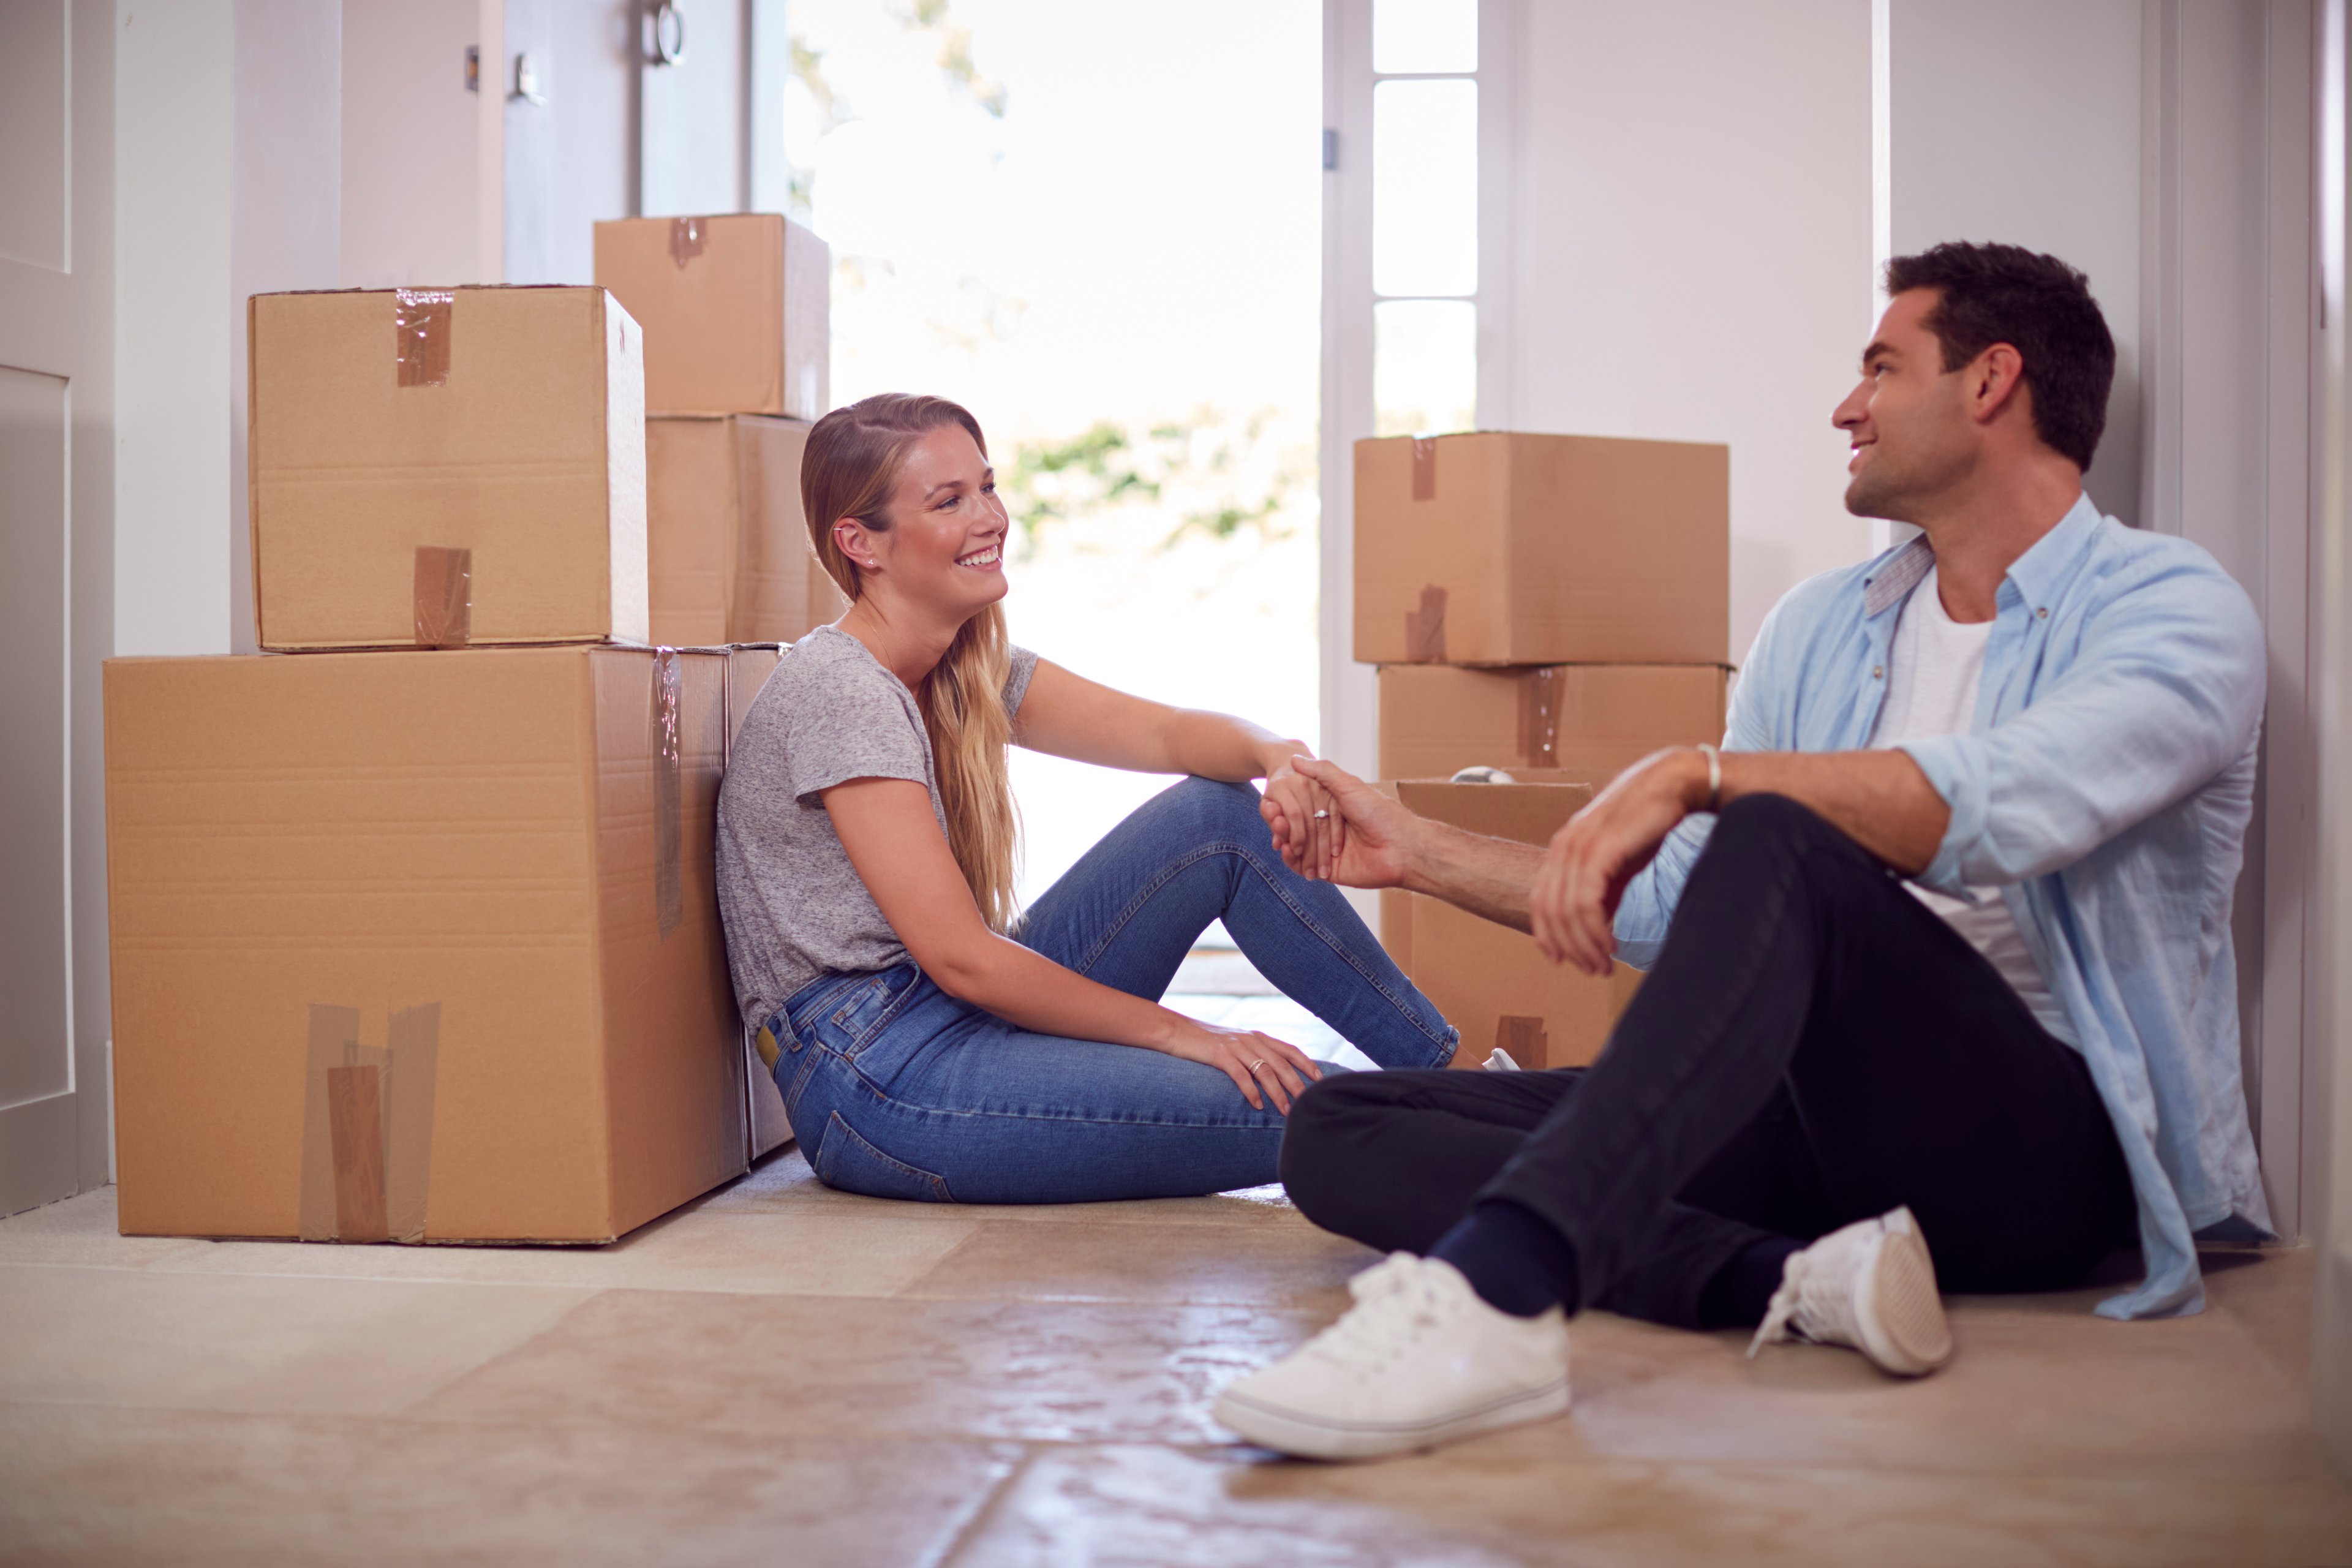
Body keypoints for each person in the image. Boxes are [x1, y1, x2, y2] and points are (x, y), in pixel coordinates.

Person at [1213, 241, 2271, 1461]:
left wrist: (1705, 775)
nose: (1845, 405)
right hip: (1823, 1128)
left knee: (1778, 833)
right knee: (1342, 1125)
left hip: (2042, 1152)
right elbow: (1670, 905)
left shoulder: (2173, 609)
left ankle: (1504, 1294)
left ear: (1990, 382)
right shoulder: (1825, 626)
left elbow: (2011, 802)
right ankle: (1793, 1278)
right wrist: (1416, 851)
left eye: (1881, 366)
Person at [714, 393, 1462, 1207]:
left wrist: (1275, 753)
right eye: (949, 501)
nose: (990, 517)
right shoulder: (842, 689)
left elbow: (1168, 737)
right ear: (861, 544)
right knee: (1314, 1108)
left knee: (1219, 818)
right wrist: (1193, 1037)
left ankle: (1460, 1080)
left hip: (942, 1017)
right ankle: (1513, 1143)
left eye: (988, 487)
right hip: (878, 1075)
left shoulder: (969, 670)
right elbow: (963, 959)